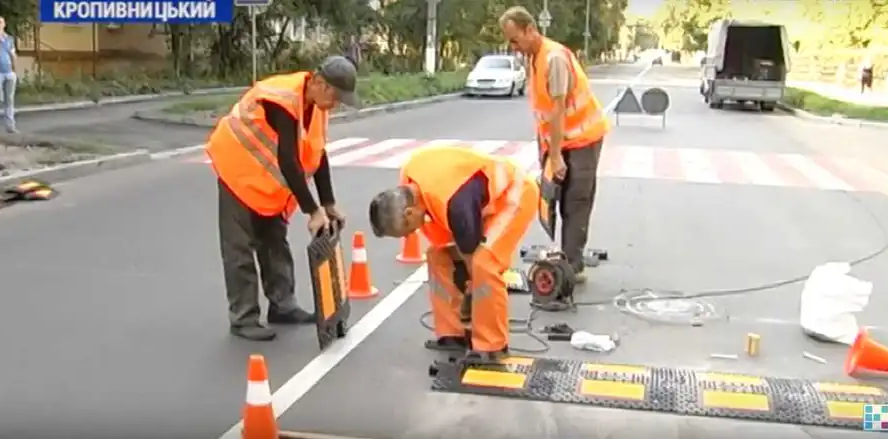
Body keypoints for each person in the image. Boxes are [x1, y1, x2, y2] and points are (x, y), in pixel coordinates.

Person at [206, 56, 360, 341]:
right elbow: (288, 160)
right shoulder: (283, 99)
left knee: (275, 240)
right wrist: (312, 211)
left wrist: (328, 202)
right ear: (319, 83)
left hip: (265, 181)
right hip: (237, 169)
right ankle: (243, 318)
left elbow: (317, 152)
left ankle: (283, 305)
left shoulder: (316, 105)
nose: (336, 104)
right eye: (336, 96)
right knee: (239, 248)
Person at [368, 145, 538, 361]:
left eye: (404, 231)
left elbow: (470, 252)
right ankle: (452, 333)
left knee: (483, 263)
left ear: (409, 213)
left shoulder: (455, 205)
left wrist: (471, 291)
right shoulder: (410, 179)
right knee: (438, 256)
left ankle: (492, 346)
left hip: (514, 195)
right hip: (479, 201)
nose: (408, 235)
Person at [499, 6, 610, 282]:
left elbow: (559, 110)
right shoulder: (533, 58)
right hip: (559, 141)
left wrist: (557, 156)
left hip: (583, 139)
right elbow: (543, 112)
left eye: (515, 39)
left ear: (530, 30)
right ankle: (565, 256)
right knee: (553, 197)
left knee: (575, 200)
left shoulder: (554, 58)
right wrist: (546, 152)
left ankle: (571, 269)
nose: (513, 46)